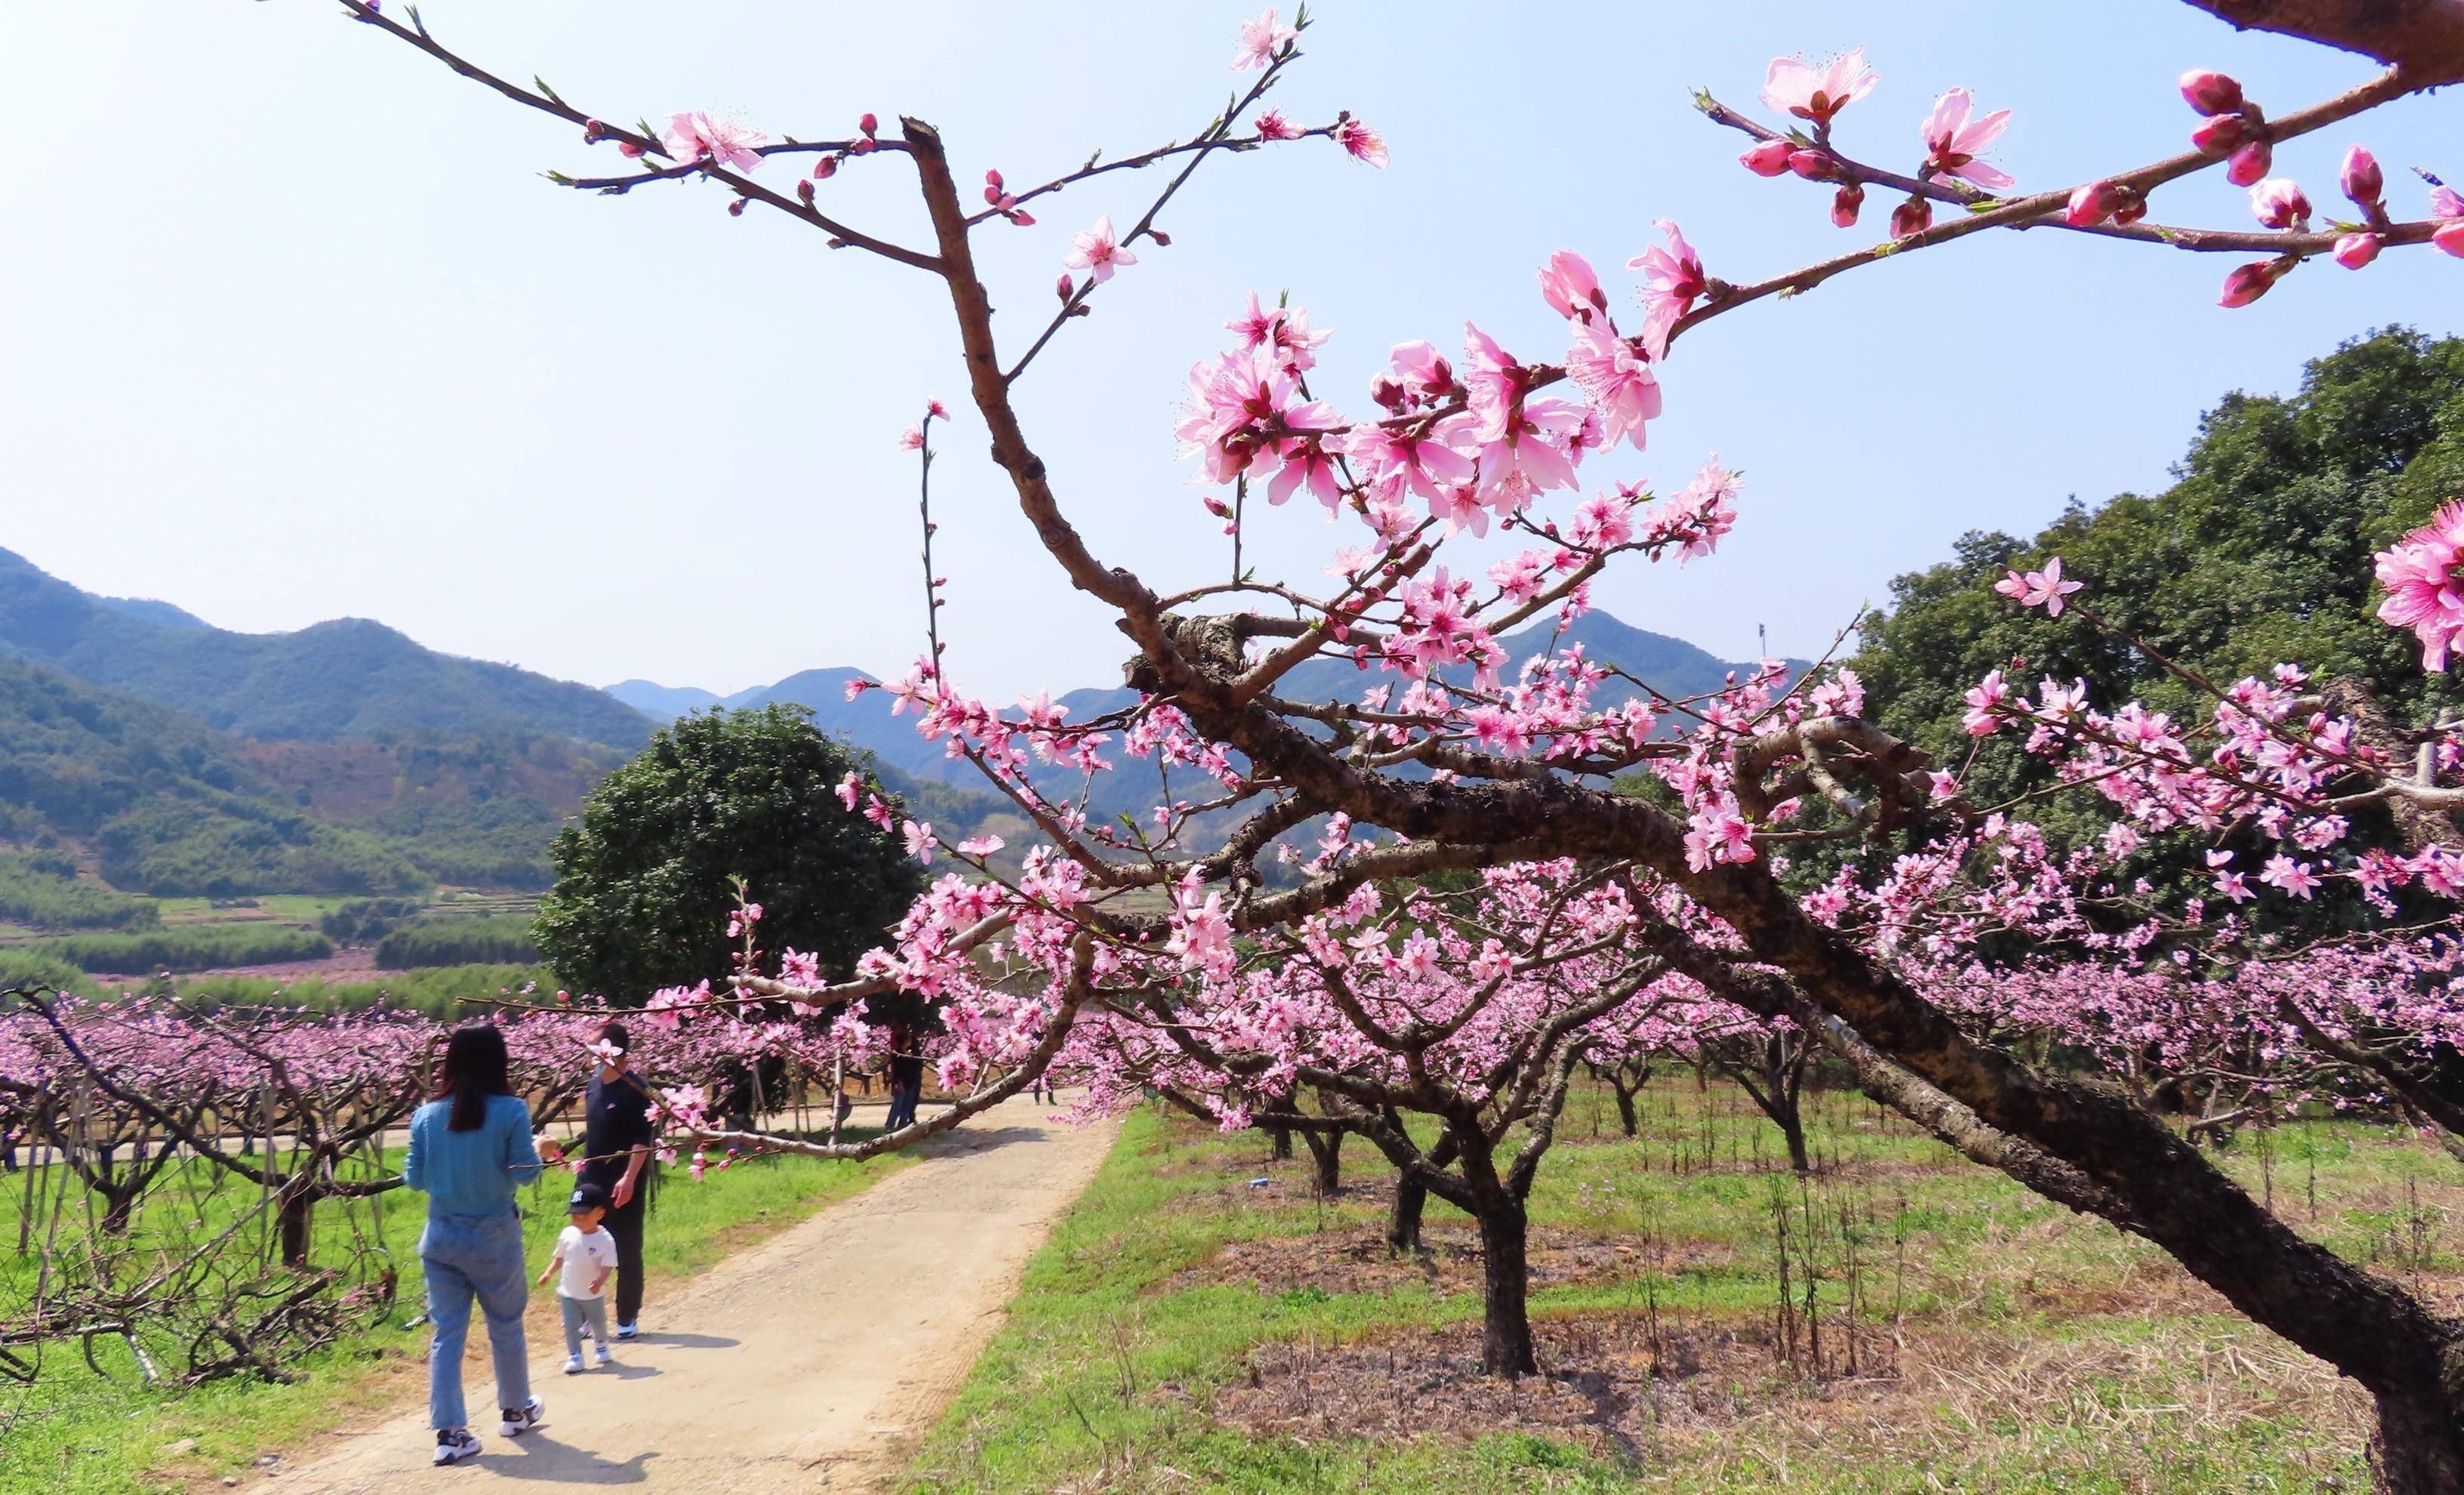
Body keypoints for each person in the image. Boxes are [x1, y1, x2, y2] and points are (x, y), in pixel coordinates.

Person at [403, 1022, 547, 1466]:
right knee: (505, 1322)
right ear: (497, 1061)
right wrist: (540, 1147)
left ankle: (450, 1433)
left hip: (441, 1236)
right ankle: (515, 1408)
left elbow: (413, 1179)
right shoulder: (511, 1110)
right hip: (493, 1235)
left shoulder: (426, 1116)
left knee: (446, 1334)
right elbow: (525, 1173)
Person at [548, 1019, 655, 1342]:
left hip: (623, 1180)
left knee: (625, 1247)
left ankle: (627, 1316)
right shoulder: (593, 1088)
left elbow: (642, 1139)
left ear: (613, 1051)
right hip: (591, 1179)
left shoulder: (636, 1089)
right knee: (581, 1247)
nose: (590, 1055)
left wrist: (629, 1178)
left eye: (595, 1047)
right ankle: (585, 1316)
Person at [537, 1180, 619, 1373]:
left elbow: (609, 1265)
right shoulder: (567, 1234)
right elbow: (559, 1258)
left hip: (592, 1294)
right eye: (574, 1216)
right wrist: (548, 1273)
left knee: (598, 1322)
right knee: (570, 1325)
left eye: (583, 1215)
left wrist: (599, 1282)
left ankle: (601, 1345)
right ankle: (575, 1355)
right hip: (569, 1291)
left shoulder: (605, 1239)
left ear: (600, 1213)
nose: (577, 1220)